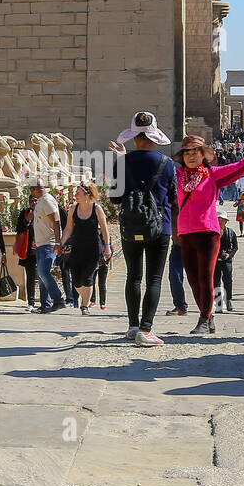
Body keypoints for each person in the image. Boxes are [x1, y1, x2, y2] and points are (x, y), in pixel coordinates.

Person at [174, 134, 244, 334]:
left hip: (208, 232)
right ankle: (209, 316)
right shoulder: (178, 176)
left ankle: (204, 319)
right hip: (186, 233)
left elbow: (239, 167)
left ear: (203, 154)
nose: (191, 156)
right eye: (187, 153)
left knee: (206, 277)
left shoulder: (211, 174)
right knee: (192, 279)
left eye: (195, 152)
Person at [108, 111, 177, 346]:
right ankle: (146, 329)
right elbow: (173, 199)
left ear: (134, 136)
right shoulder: (167, 164)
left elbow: (115, 200)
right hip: (160, 225)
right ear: (153, 136)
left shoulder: (121, 163)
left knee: (133, 277)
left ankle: (132, 326)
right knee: (154, 278)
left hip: (130, 225)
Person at [61, 182, 111, 315]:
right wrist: (60, 243)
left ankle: (85, 306)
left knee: (88, 277)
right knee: (77, 280)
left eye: (78, 192)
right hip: (77, 248)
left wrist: (107, 246)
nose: (76, 195)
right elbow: (68, 228)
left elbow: (105, 229)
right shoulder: (73, 209)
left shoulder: (97, 209)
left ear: (87, 194)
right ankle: (86, 298)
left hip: (93, 248)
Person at [29, 180, 65, 313]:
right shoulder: (40, 201)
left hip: (48, 243)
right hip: (40, 243)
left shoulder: (47, 200)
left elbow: (56, 221)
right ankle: (45, 304)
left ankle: (58, 299)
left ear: (34, 189)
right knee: (41, 274)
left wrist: (58, 242)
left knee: (43, 272)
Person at [13, 192, 40, 312]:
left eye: (36, 201)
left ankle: (46, 300)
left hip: (41, 248)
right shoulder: (24, 213)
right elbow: (18, 229)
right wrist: (28, 221)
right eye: (32, 201)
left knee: (43, 275)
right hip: (28, 250)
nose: (34, 203)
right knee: (30, 276)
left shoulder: (43, 213)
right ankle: (31, 301)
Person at [215, 214, 238, 311]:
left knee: (228, 281)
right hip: (215, 260)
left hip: (227, 260)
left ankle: (228, 300)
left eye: (222, 220)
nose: (220, 222)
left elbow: (235, 246)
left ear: (226, 221)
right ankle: (218, 303)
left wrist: (230, 255)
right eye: (218, 220)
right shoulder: (212, 232)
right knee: (216, 282)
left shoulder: (231, 232)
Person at [164, 235, 189, 317]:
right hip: (178, 246)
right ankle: (180, 306)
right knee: (175, 277)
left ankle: (181, 306)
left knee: (175, 276)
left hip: (187, 245)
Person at [95, 223, 113, 311]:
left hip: (103, 263)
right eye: (97, 229)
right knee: (91, 282)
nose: (98, 230)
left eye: (99, 229)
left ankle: (102, 303)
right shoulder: (92, 238)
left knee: (102, 284)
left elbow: (111, 250)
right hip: (93, 263)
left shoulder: (105, 239)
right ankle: (92, 300)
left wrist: (107, 261)